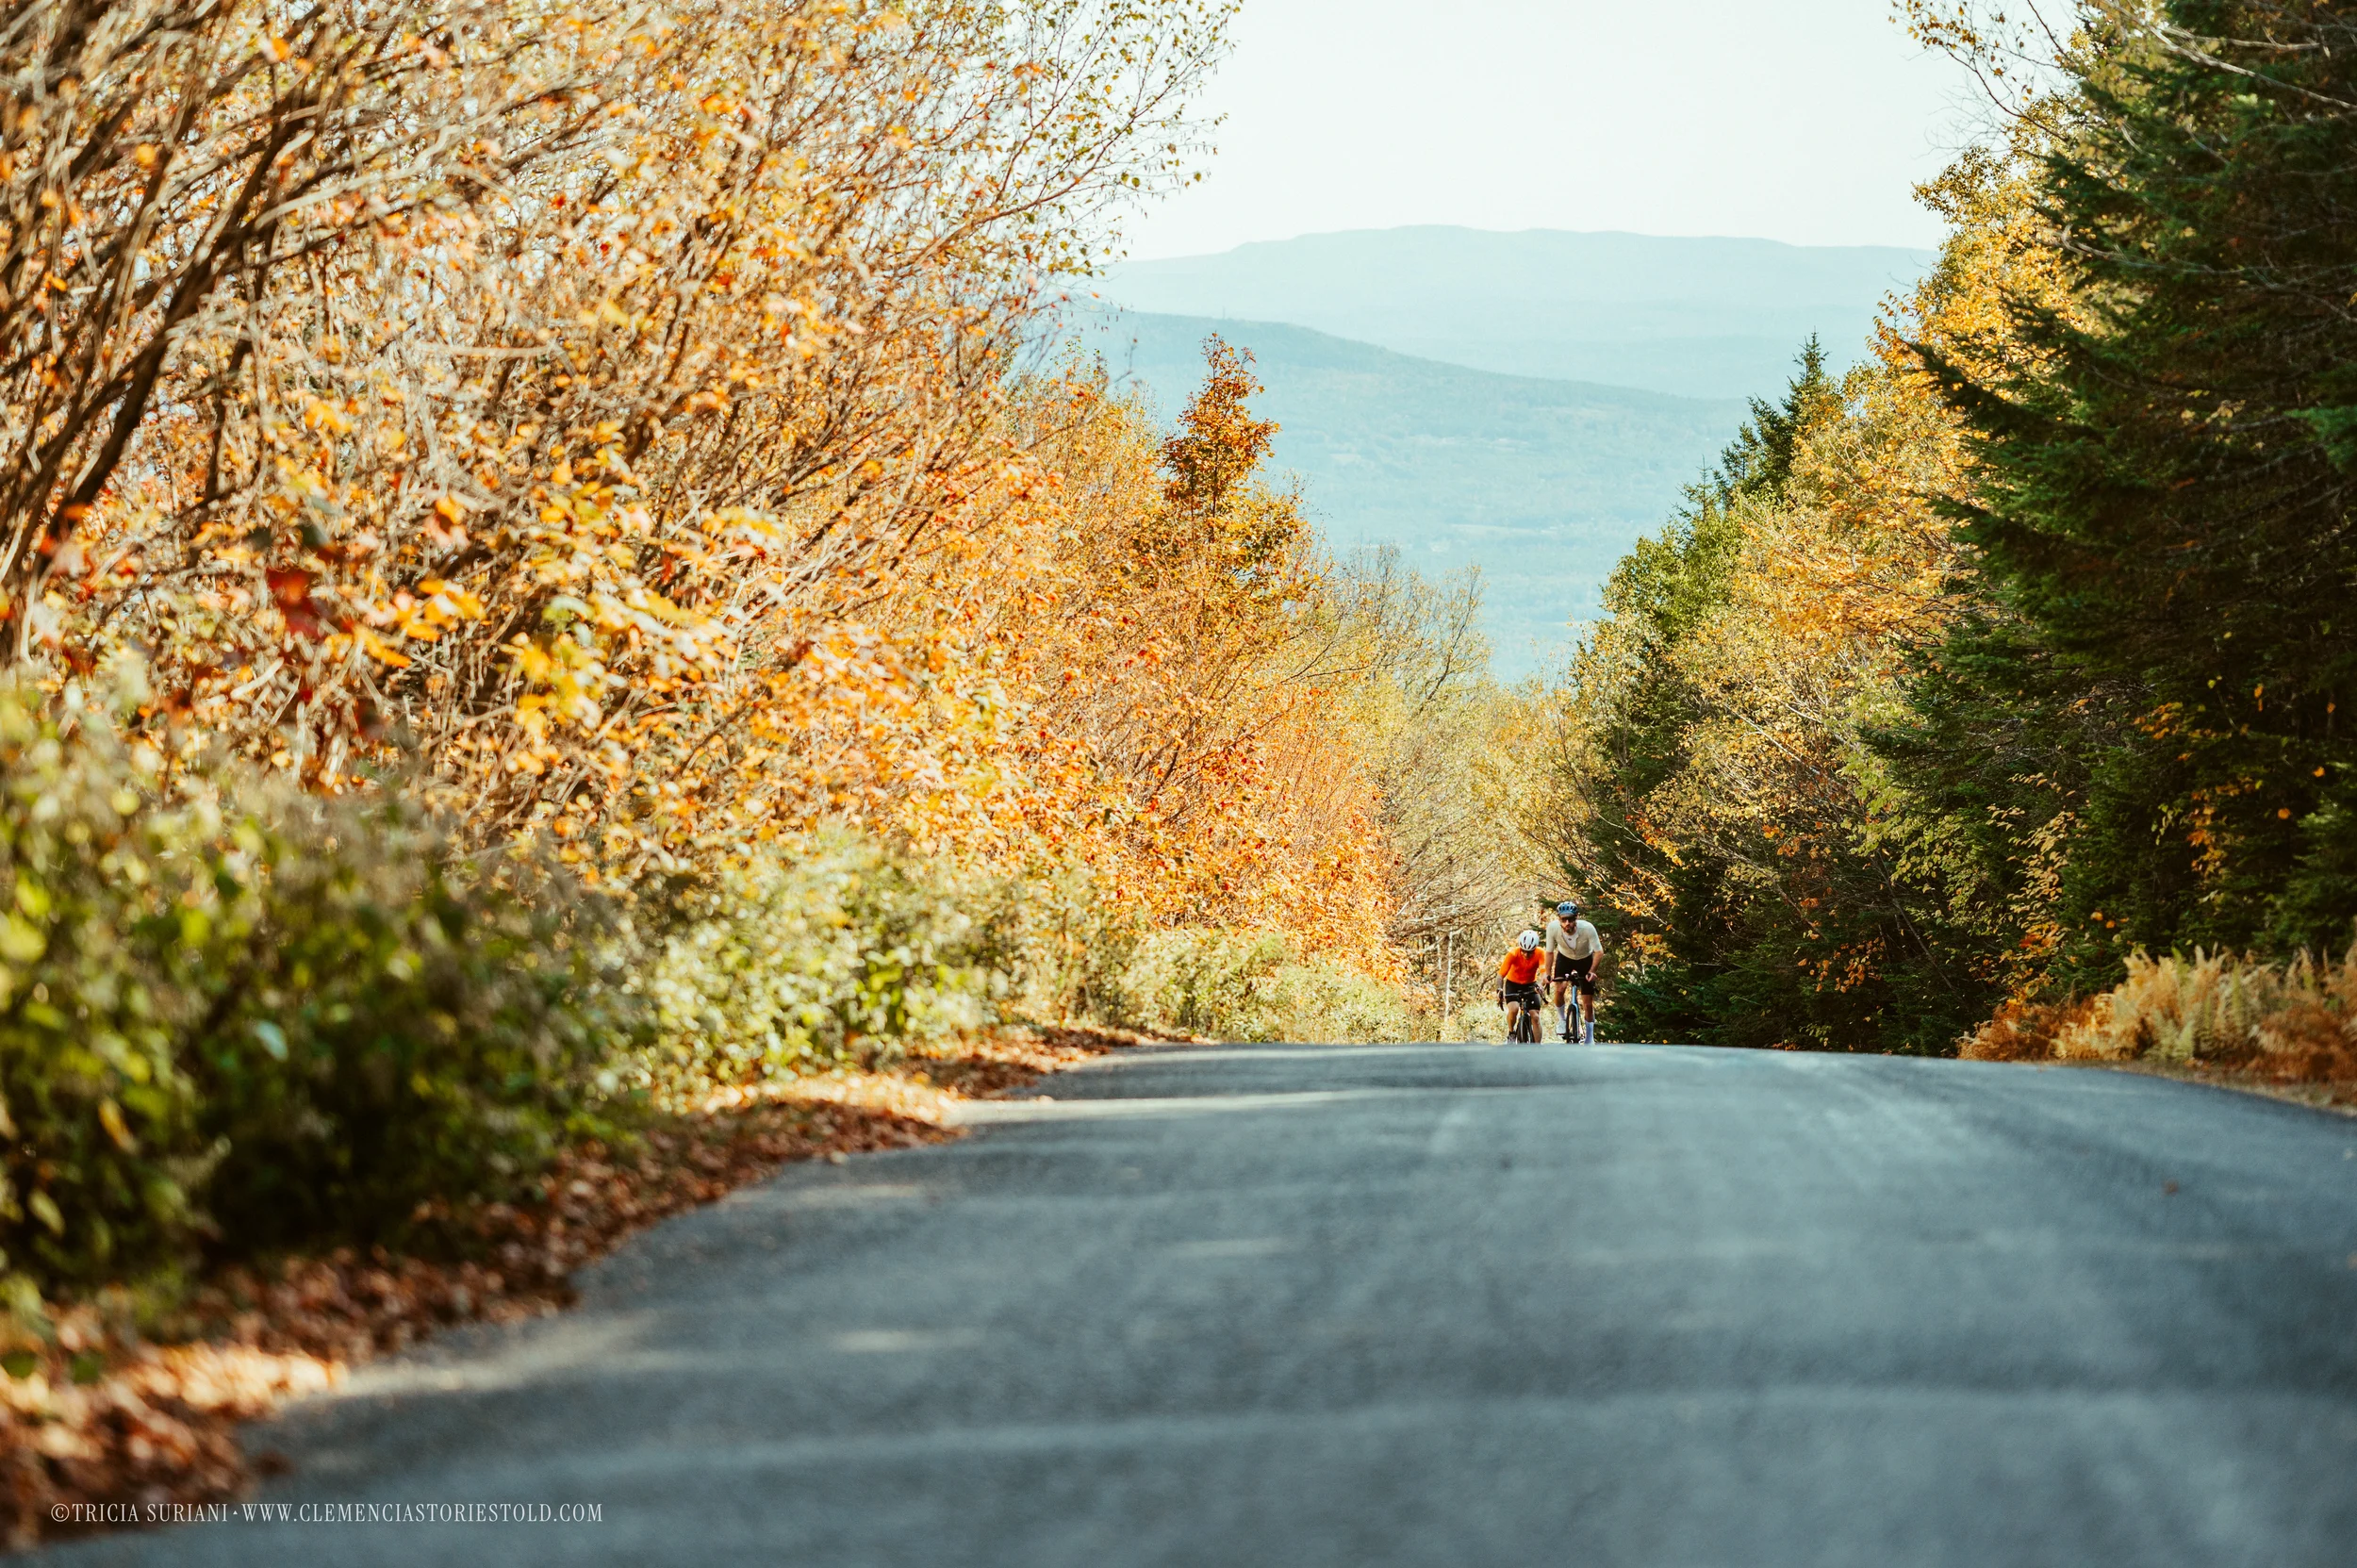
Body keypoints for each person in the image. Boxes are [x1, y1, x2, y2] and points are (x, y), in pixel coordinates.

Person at [1545, 900, 1604, 1043]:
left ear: (1576, 918)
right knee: (1559, 988)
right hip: (1564, 958)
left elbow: (1599, 952)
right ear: (1559, 920)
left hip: (1585, 959)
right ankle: (1562, 1020)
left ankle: (1590, 1038)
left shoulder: (1587, 928)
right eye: (1563, 920)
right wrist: (1547, 973)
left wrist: (1592, 971)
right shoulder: (1552, 928)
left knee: (1588, 1002)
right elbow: (1549, 952)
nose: (1567, 924)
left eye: (1570, 920)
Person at [1495, 929, 1545, 1042]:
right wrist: (1499, 990)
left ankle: (1538, 1048)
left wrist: (1541, 985)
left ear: (1535, 949)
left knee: (1535, 1017)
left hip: (1530, 985)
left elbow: (1544, 972)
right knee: (1514, 1009)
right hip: (1513, 984)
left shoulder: (1540, 953)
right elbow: (1500, 976)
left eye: (1530, 951)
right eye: (1523, 951)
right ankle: (1511, 1032)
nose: (1526, 954)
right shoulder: (1513, 954)